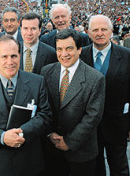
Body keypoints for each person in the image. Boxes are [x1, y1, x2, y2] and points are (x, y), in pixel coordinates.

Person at [0, 35, 52, 176]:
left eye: (13, 56)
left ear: (20, 56)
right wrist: (2, 137)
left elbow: (45, 115)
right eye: (4, 57)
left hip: (29, 160)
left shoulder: (37, 82)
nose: (10, 62)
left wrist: (21, 133)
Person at [80, 15, 130, 176]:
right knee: (95, 167)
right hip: (89, 127)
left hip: (118, 126)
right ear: (88, 32)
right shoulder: (81, 56)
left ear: (111, 31)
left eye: (103, 29)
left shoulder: (128, 56)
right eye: (95, 30)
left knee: (119, 167)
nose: (99, 33)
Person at [41, 29, 105, 176]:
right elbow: (43, 107)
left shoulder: (95, 78)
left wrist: (69, 142)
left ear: (79, 49)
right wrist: (50, 133)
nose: (64, 54)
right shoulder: (46, 72)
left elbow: (93, 116)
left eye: (69, 48)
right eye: (59, 49)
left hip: (81, 152)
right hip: (52, 149)